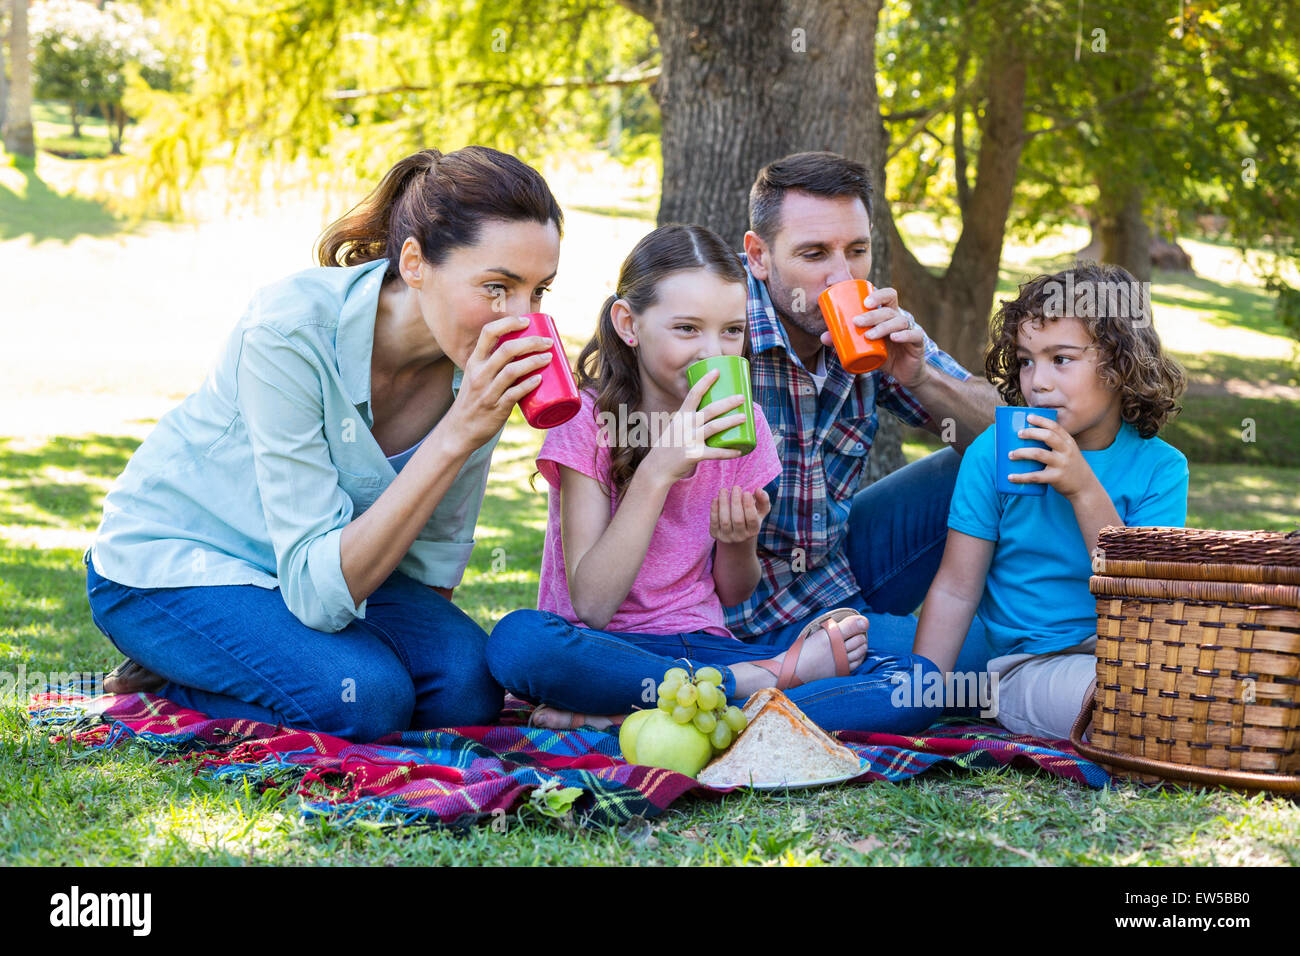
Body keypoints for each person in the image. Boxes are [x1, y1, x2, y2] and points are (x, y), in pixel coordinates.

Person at [85, 146, 565, 741]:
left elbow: (430, 557)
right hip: (181, 561)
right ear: (414, 262)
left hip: (317, 571)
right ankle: (178, 676)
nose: (520, 317)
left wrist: (423, 655)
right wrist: (456, 434)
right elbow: (317, 596)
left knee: (467, 691)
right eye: (497, 286)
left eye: (539, 291)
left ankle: (268, 665)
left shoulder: (471, 365)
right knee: (363, 700)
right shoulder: (289, 330)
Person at [487, 224, 942, 733]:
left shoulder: (743, 426)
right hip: (603, 653)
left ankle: (634, 719)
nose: (714, 352)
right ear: (628, 324)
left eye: (731, 331)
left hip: (703, 643)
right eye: (687, 329)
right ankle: (751, 689)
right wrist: (659, 469)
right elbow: (592, 606)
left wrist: (739, 541)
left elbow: (733, 592)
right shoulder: (589, 421)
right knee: (519, 642)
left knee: (918, 682)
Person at [731, 150, 1000, 692]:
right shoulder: (714, 322)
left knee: (990, 456)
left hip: (838, 575)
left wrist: (923, 376)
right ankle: (778, 675)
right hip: (743, 614)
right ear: (759, 256)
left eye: (857, 251)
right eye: (814, 254)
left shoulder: (874, 324)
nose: (841, 275)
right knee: (979, 668)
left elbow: (1013, 431)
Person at [913, 263, 1190, 739]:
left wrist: (1083, 488)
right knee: (1126, 705)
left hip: (1135, 653)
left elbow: (1148, 596)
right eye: (1025, 360)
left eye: (1061, 359)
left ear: (1120, 365)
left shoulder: (1162, 468)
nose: (1037, 381)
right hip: (1030, 665)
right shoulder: (996, 454)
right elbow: (956, 589)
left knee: (1214, 683)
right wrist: (919, 695)